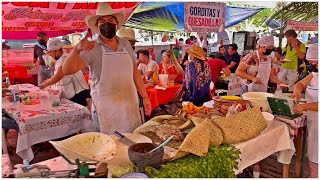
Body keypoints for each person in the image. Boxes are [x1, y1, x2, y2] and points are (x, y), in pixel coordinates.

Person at [62, 2, 151, 134]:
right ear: (97, 27)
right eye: (102, 21)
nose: (107, 23)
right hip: (106, 109)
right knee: (110, 147)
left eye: (110, 20)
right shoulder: (91, 47)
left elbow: (135, 72)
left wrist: (145, 97)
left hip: (129, 105)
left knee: (133, 142)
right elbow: (67, 70)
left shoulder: (125, 43)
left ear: (116, 24)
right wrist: (76, 50)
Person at [292, 43, 318, 178]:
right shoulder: (314, 75)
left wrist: (304, 107)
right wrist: (297, 90)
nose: (310, 65)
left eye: (313, 62)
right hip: (314, 122)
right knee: (314, 152)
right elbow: (300, 84)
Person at [39, 38, 90, 107]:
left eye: (51, 52)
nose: (50, 55)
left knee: (78, 112)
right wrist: (48, 81)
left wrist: (44, 85)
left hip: (78, 91)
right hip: (71, 90)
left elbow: (58, 76)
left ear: (57, 51)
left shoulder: (64, 59)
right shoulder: (60, 58)